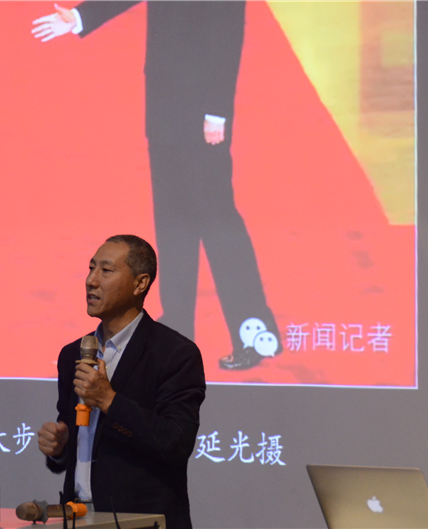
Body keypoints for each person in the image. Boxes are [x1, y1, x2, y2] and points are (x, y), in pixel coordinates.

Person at [32, 1, 282, 370]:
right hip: (165, 106)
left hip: (203, 112)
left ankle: (254, 329)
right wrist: (81, 17)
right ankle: (178, 326)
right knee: (172, 220)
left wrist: (217, 110)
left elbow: (228, 34)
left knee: (216, 218)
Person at [38, 235, 206, 529]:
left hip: (142, 521)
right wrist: (61, 447)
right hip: (77, 518)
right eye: (91, 268)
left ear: (140, 284)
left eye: (106, 270)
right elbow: (78, 448)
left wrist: (109, 400)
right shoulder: (73, 354)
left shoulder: (175, 354)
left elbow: (176, 443)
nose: (91, 281)